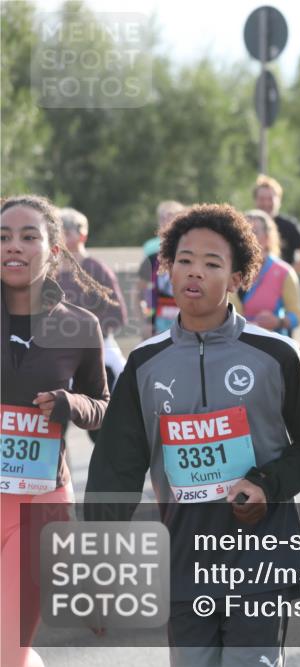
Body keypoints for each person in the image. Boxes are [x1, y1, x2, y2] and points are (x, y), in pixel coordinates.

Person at [85, 204, 300, 667]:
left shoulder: (277, 354)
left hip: (261, 555)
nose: (194, 273)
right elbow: (115, 470)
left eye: (212, 263)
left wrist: (267, 483)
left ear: (239, 278)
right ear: (166, 269)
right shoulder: (144, 363)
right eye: (184, 260)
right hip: (183, 563)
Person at [2, 195, 110, 667]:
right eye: (4, 236)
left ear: (56, 250)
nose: (14, 246)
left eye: (29, 236)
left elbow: (105, 406)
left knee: (8, 648)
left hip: (38, 504)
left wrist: (71, 405)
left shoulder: (81, 327)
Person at [57, 207, 128, 444]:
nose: (60, 236)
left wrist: (84, 332)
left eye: (65, 231)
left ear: (81, 235)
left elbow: (117, 314)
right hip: (54, 352)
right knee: (52, 428)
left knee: (103, 428)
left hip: (96, 350)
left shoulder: (96, 270)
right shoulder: (46, 271)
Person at [233, 209, 300, 337]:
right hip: (234, 347)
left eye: (254, 232)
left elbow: (297, 315)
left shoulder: (284, 272)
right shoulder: (227, 269)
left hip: (271, 347)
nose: (248, 236)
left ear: (267, 237)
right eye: (244, 232)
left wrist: (278, 322)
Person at [138, 200, 186, 336]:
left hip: (187, 325)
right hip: (159, 326)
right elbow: (139, 293)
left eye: (172, 217)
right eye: (163, 218)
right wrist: (145, 322)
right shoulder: (152, 258)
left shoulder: (193, 257)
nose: (167, 222)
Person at [253, 174, 300, 273]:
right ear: (255, 200)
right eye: (262, 199)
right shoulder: (246, 224)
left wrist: (288, 274)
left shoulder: (289, 226)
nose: (266, 203)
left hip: (280, 285)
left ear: (279, 201)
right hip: (252, 285)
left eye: (270, 199)